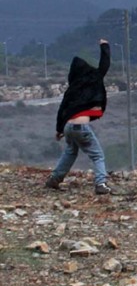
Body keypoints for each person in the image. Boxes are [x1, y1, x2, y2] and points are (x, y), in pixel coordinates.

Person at [45, 39, 113, 194]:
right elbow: (105, 64)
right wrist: (104, 46)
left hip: (69, 127)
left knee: (70, 152)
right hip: (81, 126)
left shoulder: (72, 89)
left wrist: (59, 129)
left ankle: (54, 179)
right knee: (97, 156)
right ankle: (101, 184)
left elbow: (62, 108)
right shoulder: (94, 77)